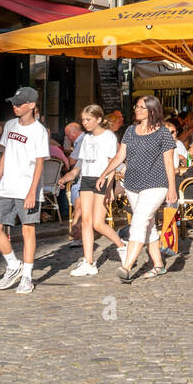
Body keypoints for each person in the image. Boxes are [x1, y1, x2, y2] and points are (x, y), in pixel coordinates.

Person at [97, 95, 176, 283]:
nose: (137, 109)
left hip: (156, 184)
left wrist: (172, 189)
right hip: (132, 184)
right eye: (136, 106)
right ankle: (158, 264)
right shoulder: (130, 131)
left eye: (141, 107)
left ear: (152, 110)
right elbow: (119, 156)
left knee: (139, 222)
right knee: (147, 225)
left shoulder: (163, 133)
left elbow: (168, 163)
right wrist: (104, 173)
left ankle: (127, 266)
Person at [0, 87, 49, 295]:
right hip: (6, 187)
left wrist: (32, 192)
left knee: (28, 230)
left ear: (31, 105)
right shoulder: (10, 125)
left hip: (26, 188)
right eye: (13, 103)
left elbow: (40, 164)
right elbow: (5, 156)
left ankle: (27, 277)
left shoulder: (39, 131)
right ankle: (13, 265)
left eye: (19, 103)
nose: (14, 106)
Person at [66, 106, 125, 276]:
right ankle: (89, 261)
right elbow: (81, 162)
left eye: (88, 119)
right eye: (83, 120)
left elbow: (111, 164)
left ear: (99, 119)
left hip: (102, 179)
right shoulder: (86, 138)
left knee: (98, 223)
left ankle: (121, 246)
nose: (85, 123)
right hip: (87, 178)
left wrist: (109, 187)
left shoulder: (108, 137)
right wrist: (70, 175)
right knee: (86, 221)